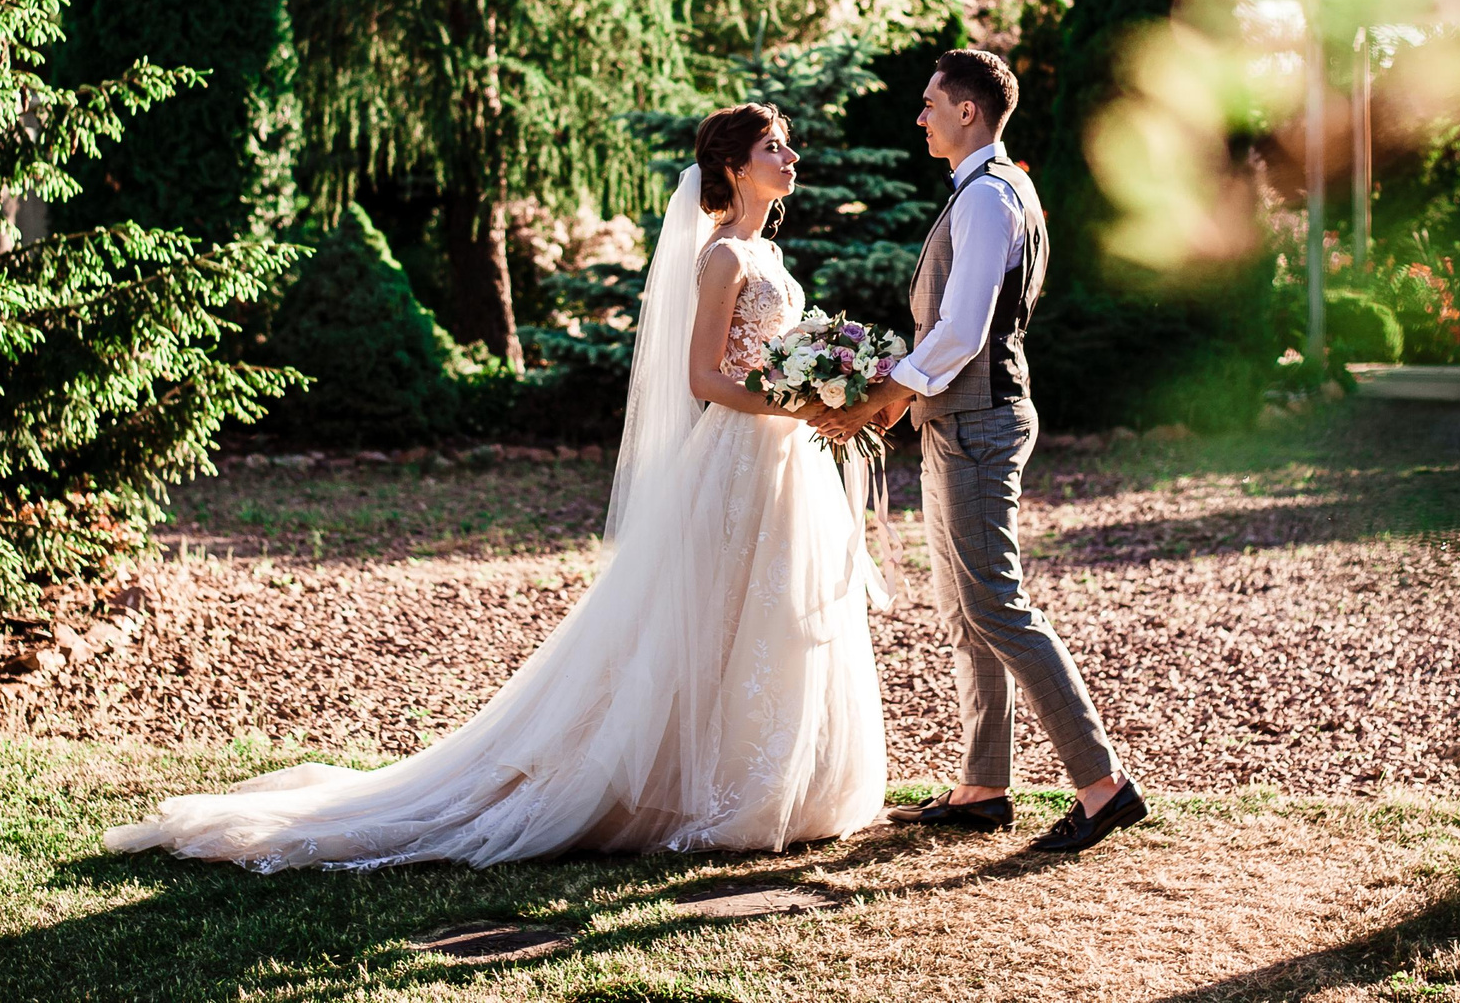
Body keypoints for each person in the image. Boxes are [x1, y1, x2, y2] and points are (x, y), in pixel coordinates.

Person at [103, 103, 884, 869]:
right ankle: (696, 790)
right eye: (775, 148)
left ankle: (776, 780)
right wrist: (798, 399)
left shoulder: (771, 257)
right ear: (732, 166)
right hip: (738, 456)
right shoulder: (723, 258)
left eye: (788, 147)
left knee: (771, 612)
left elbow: (765, 360)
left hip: (784, 458)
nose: (791, 159)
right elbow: (705, 378)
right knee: (710, 615)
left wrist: (819, 395)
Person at [811, 48, 1147, 853]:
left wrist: (887, 396)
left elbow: (963, 328)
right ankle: (983, 785)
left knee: (997, 605)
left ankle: (1102, 786)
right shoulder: (996, 189)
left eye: (930, 103)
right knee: (965, 613)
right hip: (962, 417)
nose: (920, 115)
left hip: (978, 420)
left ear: (968, 111)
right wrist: (904, 391)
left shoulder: (989, 198)